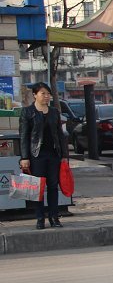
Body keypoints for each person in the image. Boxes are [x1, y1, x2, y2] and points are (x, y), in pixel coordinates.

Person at [19, 82, 68, 229]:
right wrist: (24, 157)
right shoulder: (27, 112)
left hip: (53, 154)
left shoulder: (54, 112)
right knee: (37, 188)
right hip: (36, 155)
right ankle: (40, 218)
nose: (46, 97)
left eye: (48, 94)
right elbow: (24, 136)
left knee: (53, 186)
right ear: (35, 95)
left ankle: (54, 217)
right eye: (43, 94)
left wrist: (64, 155)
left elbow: (60, 134)